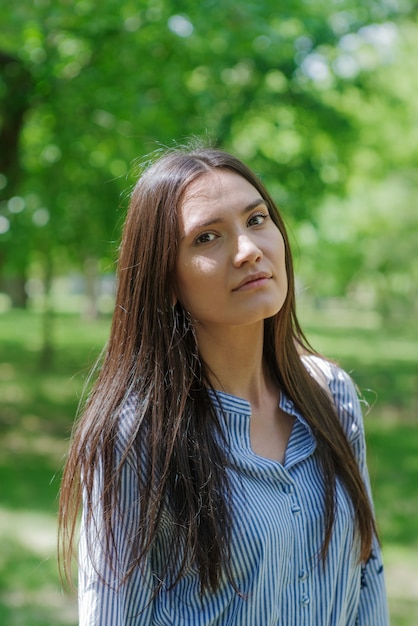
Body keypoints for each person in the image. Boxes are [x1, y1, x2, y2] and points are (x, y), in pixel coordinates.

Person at [59, 144, 389, 625]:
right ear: (165, 278)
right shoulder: (136, 438)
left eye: (256, 220)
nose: (248, 250)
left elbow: (367, 579)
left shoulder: (332, 396)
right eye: (207, 237)